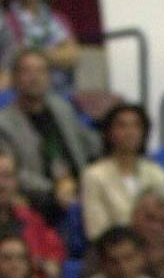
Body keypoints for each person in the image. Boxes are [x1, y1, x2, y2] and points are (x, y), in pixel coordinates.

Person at [0, 48, 98, 225]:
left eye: (41, 71)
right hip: (38, 196)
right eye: (27, 71)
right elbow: (12, 172)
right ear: (14, 78)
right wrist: (54, 190)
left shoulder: (62, 108)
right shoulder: (4, 123)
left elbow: (87, 143)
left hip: (81, 189)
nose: (34, 77)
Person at [80, 103, 164, 243]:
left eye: (136, 126)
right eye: (122, 126)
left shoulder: (158, 174)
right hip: (113, 253)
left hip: (154, 250)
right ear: (109, 133)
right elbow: (96, 231)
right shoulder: (94, 175)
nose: (130, 132)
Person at [0, 0, 80, 97]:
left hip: (58, 89)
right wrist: (53, 54)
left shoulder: (57, 20)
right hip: (15, 89)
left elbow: (72, 55)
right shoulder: (4, 19)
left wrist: (33, 52)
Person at [0, 149, 64, 278]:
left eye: (7, 176)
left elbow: (53, 270)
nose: (1, 183)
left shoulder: (30, 219)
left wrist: (39, 265)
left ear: (16, 181)